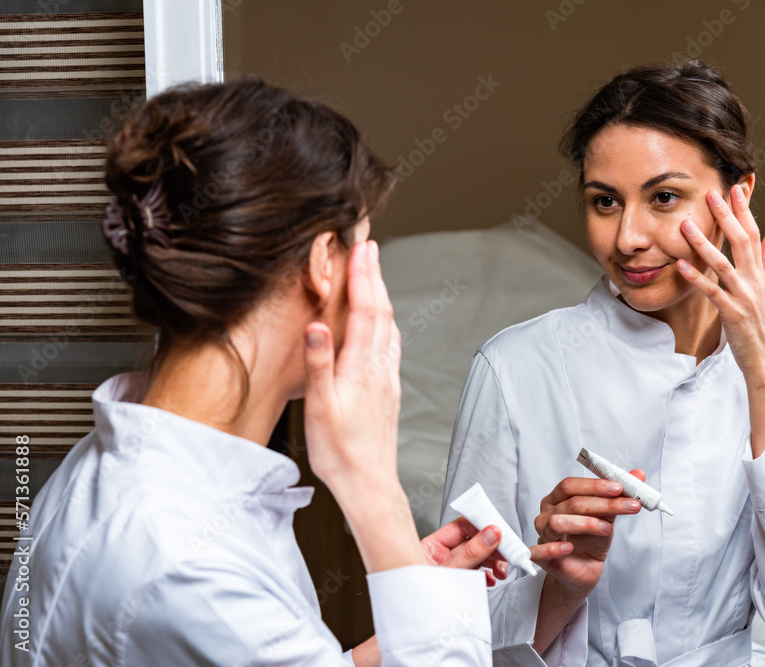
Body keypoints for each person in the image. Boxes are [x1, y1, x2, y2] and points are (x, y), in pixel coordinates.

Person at [0, 78, 569, 666]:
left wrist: (413, 598)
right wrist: (373, 487)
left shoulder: (114, 469)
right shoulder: (185, 565)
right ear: (324, 264)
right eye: (363, 247)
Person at [440, 60, 765, 666]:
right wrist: (561, 588)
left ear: (738, 197)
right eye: (605, 201)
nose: (628, 238)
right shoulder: (514, 368)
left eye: (664, 197)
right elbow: (450, 639)